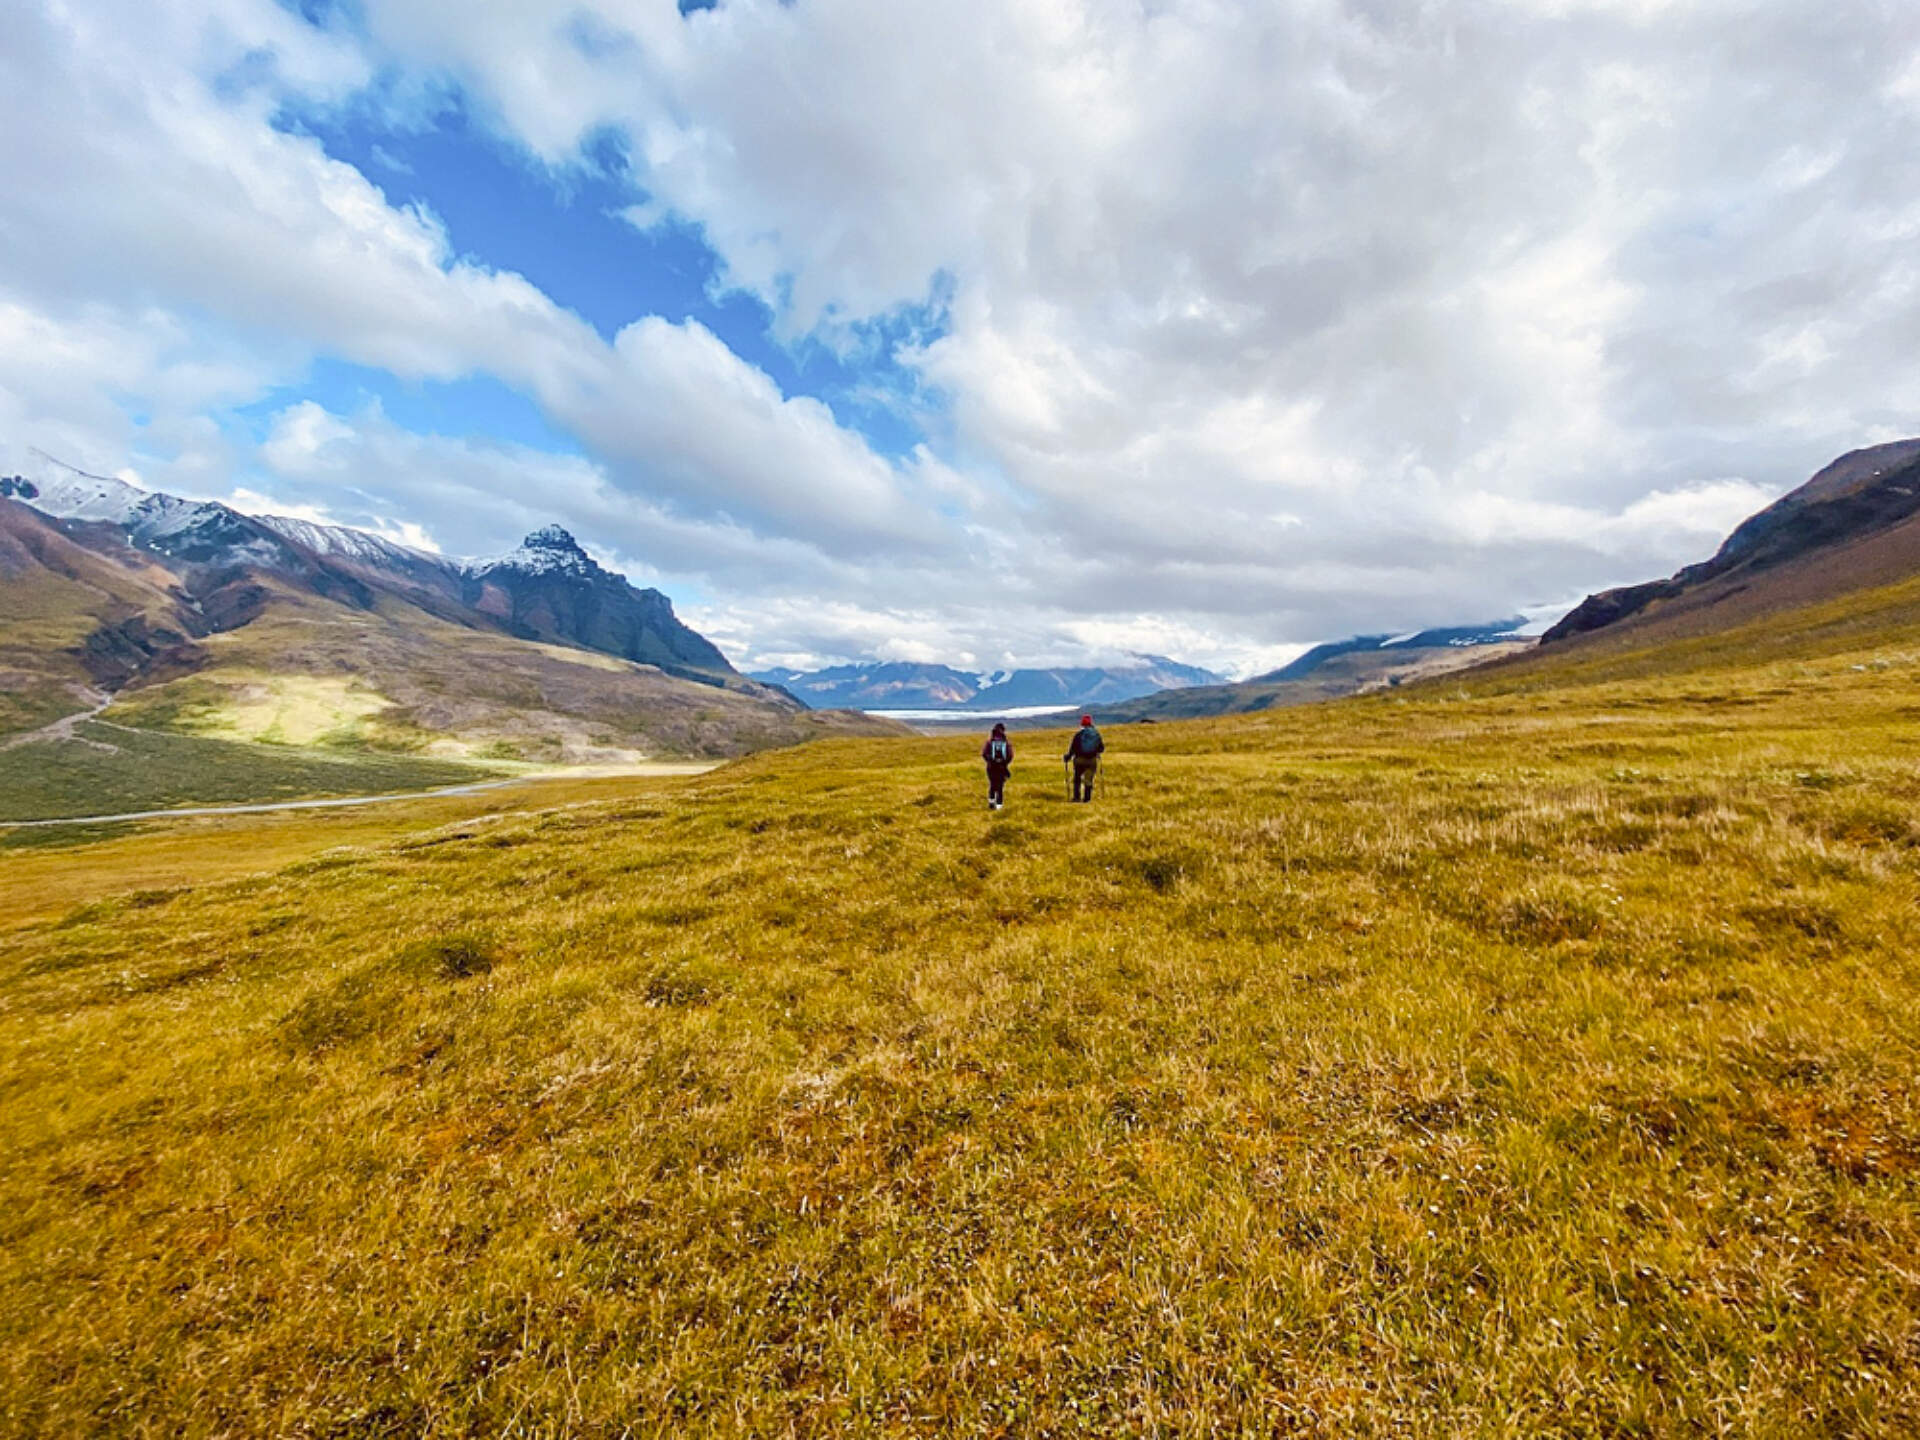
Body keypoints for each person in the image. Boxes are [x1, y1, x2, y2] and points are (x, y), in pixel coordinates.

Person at [1063, 714, 1104, 803]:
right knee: (1088, 779)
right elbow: (1101, 749)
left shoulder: (1078, 735)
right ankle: (1087, 799)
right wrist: (1095, 752)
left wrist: (1068, 757)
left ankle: (1077, 797)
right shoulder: (1096, 734)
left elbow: (1072, 749)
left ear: (1082, 724)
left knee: (1077, 778)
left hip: (1079, 760)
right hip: (1091, 760)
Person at [981, 722, 1013, 810]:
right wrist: (1004, 763)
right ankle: (999, 807)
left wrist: (990, 761)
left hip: (991, 767)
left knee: (992, 785)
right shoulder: (1006, 742)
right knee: (1000, 787)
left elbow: (984, 754)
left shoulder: (989, 742)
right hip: (1002, 768)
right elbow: (1010, 755)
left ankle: (991, 802)